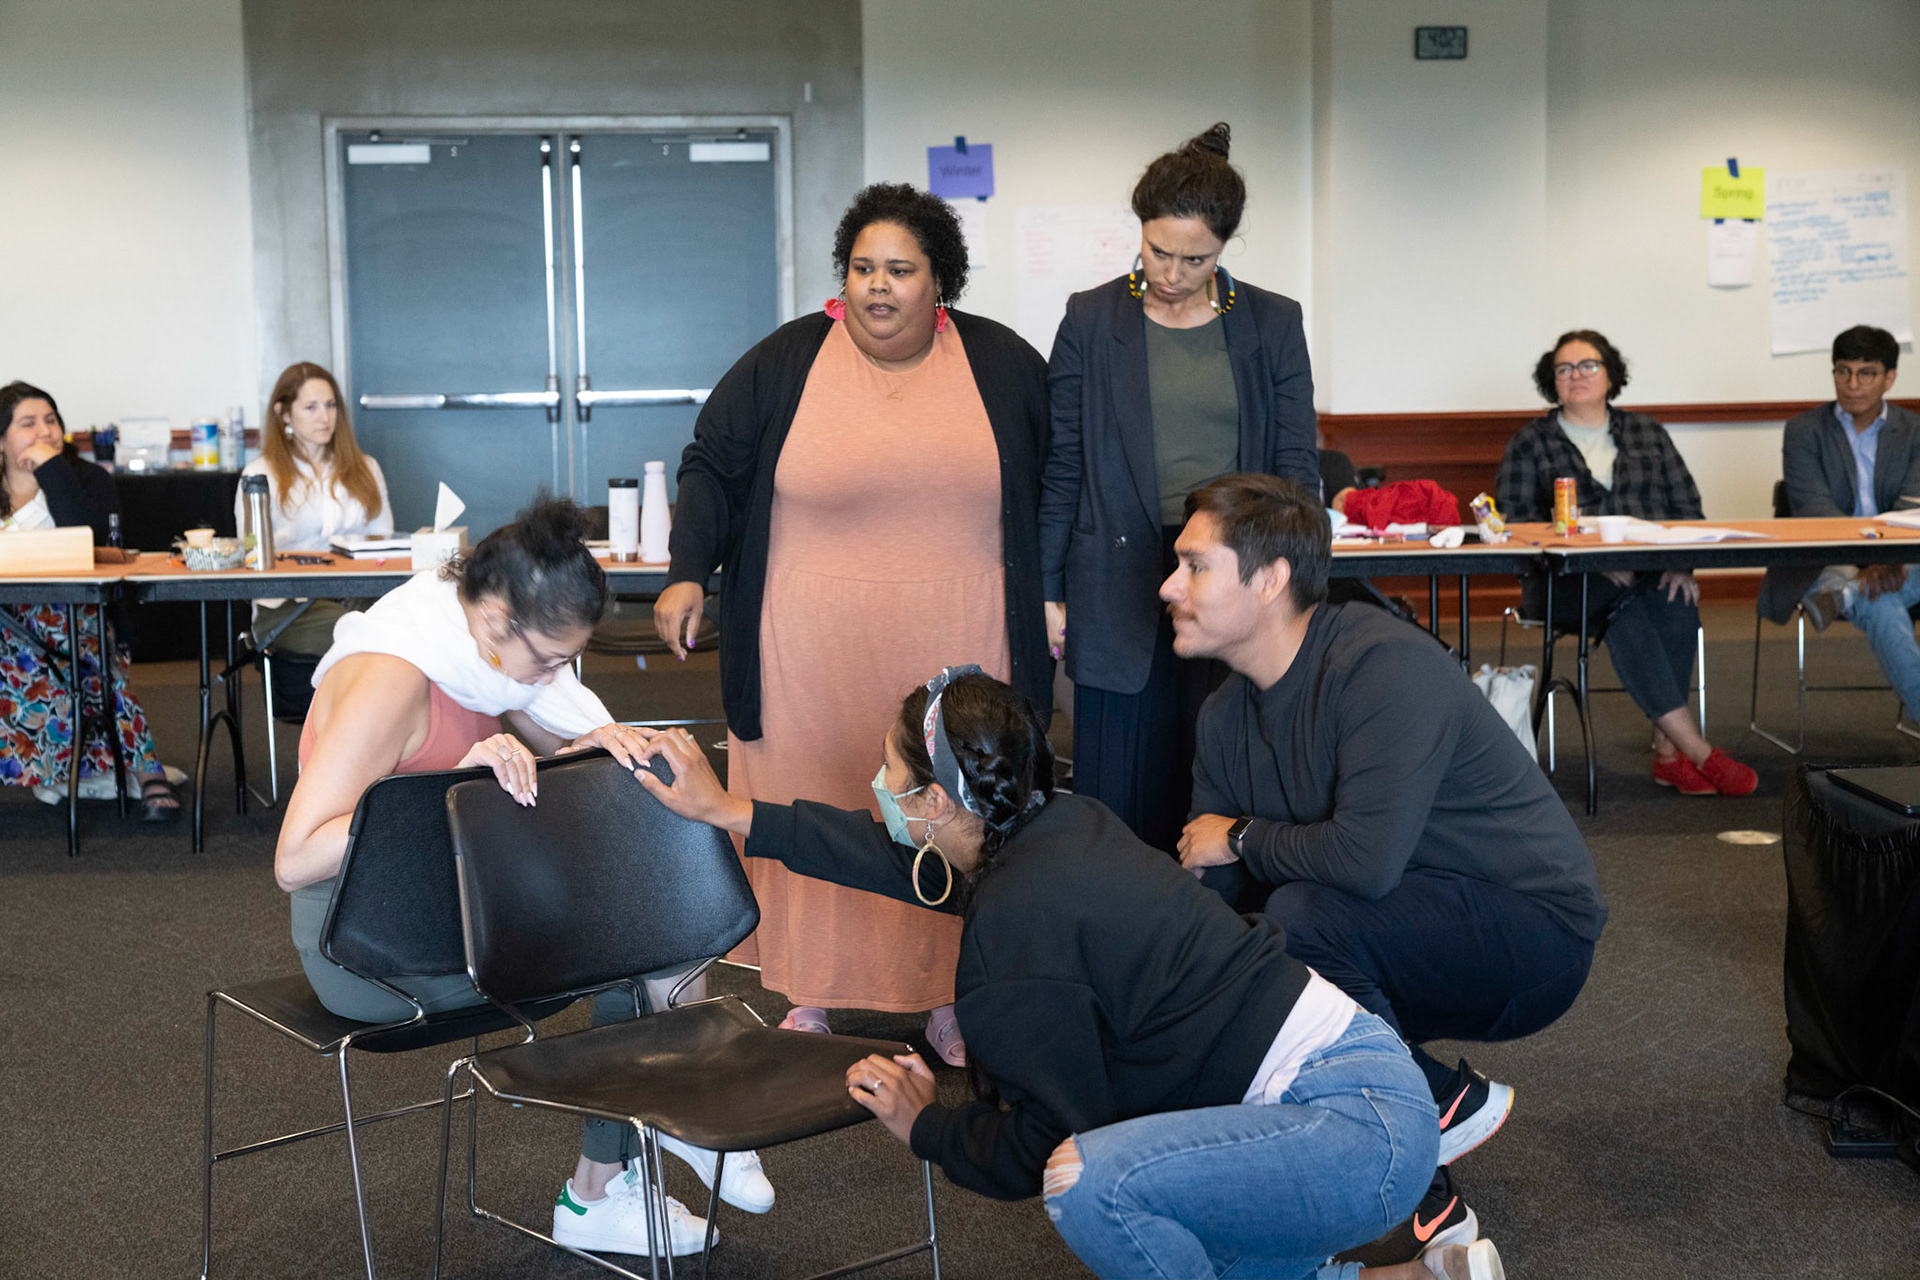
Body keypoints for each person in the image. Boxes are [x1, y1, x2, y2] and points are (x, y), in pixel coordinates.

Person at [634, 669, 1504, 1280]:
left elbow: (1043, 1142)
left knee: (1092, 1185)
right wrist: (729, 810)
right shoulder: (1060, 824)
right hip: (1370, 1088)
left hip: (1353, 1136)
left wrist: (925, 1125)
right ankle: (1409, 1278)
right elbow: (896, 861)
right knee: (1161, 1193)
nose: (879, 787)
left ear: (934, 803)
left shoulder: (1014, 939)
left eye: (891, 774)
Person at [276, 497, 773, 1259]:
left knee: (655, 905)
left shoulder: (488, 663)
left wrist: (615, 750)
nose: (553, 677)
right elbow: (295, 857)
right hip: (368, 945)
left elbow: (567, 754)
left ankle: (649, 1138)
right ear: (494, 619)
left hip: (459, 906)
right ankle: (667, 1119)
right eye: (547, 660)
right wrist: (450, 786)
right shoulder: (394, 676)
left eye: (567, 661)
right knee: (638, 949)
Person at [653, 182, 1050, 1064]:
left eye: (900, 270)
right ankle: (812, 990)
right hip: (807, 653)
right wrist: (686, 574)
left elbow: (1059, 487)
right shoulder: (788, 359)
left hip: (962, 645)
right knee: (820, 798)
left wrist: (1056, 594)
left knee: (949, 805)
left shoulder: (1004, 364)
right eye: (863, 268)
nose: (878, 286)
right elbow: (711, 466)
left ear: (940, 280)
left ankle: (948, 995)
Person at [1169, 474, 1606, 1267]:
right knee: (1241, 983)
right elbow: (1221, 900)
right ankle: (1429, 1211)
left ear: (1269, 580)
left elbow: (1361, 865)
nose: (1169, 587)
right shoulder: (1226, 716)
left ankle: (1434, 1104)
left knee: (1300, 921)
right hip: (1400, 922)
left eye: (1195, 567)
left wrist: (1237, 836)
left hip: (1534, 932)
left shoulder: (1382, 664)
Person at [1041, 122, 1318, 855]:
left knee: (1220, 765)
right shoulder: (1091, 318)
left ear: (1224, 247)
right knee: (1118, 795)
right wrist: (1046, 587)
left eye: (1195, 259)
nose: (1171, 272)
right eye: (1157, 250)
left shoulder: (1272, 322)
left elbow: (1297, 466)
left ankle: (1216, 917)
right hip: (1117, 569)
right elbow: (1063, 461)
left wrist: (1295, 582)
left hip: (1232, 568)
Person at [1495, 329, 1757, 797]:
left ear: (1610, 375)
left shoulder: (1647, 433)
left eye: (1588, 365)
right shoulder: (1530, 442)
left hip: (1649, 571)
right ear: (1551, 381)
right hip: (1564, 581)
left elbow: (1688, 510)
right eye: (1564, 368)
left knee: (1676, 600)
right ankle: (1697, 752)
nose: (1576, 375)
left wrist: (1681, 566)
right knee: (1625, 607)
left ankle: (1668, 754)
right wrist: (1589, 559)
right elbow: (1515, 525)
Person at [0, 380, 179, 820]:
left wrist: (51, 470)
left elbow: (93, 540)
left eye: (51, 420)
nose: (44, 431)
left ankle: (146, 770)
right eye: (28, 423)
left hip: (75, 614)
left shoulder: (86, 479)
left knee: (85, 643)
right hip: (6, 620)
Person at [1766, 326, 1920, 718]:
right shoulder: (1804, 431)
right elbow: (1815, 509)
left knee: (1879, 593)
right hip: (1826, 557)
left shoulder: (1915, 432)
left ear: (1890, 377)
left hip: (1902, 558)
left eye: (1866, 373)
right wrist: (1871, 563)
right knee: (1882, 600)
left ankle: (1846, 596)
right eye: (1843, 371)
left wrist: (1886, 560)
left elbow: (1911, 508)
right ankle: (1851, 589)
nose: (1852, 384)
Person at [233, 361, 393, 662]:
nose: (325, 417)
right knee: (366, 636)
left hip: (359, 597)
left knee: (403, 626)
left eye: (331, 405)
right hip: (287, 607)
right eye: (311, 407)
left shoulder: (366, 467)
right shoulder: (259, 474)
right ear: (284, 413)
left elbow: (383, 543)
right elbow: (250, 551)